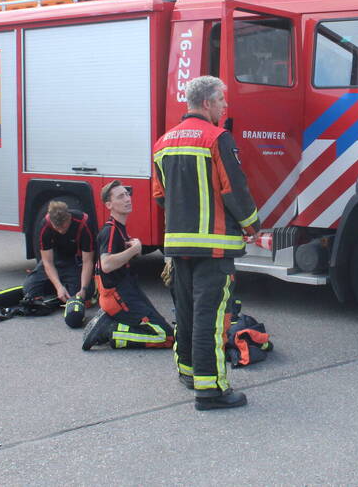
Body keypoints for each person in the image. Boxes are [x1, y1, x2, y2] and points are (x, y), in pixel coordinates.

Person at [152, 75, 259, 411]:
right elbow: (234, 189)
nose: (225, 107)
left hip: (178, 245)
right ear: (208, 103)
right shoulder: (217, 138)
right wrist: (251, 224)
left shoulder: (163, 143)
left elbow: (160, 195)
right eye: (222, 101)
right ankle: (210, 391)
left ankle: (188, 373)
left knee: (185, 313)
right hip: (214, 247)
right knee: (210, 319)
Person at [81, 180, 174, 351]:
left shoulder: (119, 228)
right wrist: (134, 250)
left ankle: (113, 321)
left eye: (127, 194)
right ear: (109, 205)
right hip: (117, 297)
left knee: (166, 330)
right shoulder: (110, 231)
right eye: (120, 196)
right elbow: (106, 265)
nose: (127, 199)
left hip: (127, 291)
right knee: (165, 337)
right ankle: (111, 331)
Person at [22, 200, 95, 327]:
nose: (61, 231)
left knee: (83, 294)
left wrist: (83, 289)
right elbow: (47, 262)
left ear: (69, 217)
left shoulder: (83, 223)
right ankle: (60, 291)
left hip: (75, 261)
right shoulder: (45, 225)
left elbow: (88, 261)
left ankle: (63, 292)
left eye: (64, 227)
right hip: (55, 260)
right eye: (57, 228)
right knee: (29, 289)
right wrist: (59, 287)